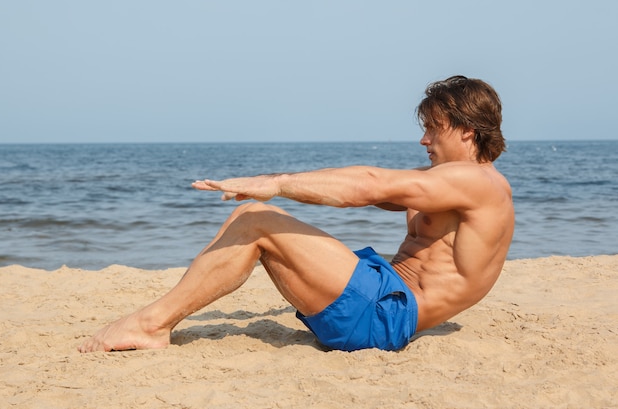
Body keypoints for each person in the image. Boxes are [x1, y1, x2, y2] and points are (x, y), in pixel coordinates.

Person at [78, 75, 514, 353]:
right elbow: (379, 193)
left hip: (385, 316)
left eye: (432, 128)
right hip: (381, 295)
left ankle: (152, 325)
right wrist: (276, 186)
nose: (423, 140)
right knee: (249, 216)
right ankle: (160, 318)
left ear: (467, 130)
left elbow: (369, 185)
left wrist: (277, 185)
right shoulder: (452, 183)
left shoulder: (476, 182)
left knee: (256, 220)